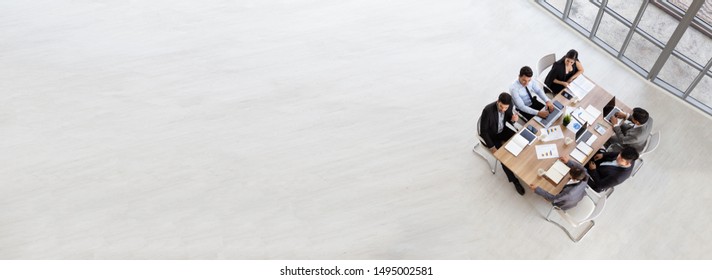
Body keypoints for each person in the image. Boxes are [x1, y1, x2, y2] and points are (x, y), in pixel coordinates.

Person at [479, 92, 526, 195]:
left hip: (503, 130)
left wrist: (513, 120)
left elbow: (509, 119)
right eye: (501, 107)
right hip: (492, 136)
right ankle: (514, 181)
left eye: (505, 108)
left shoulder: (510, 105)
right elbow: (483, 131)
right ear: (498, 101)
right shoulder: (488, 110)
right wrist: (492, 147)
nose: (503, 109)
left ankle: (522, 163)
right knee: (503, 159)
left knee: (520, 140)